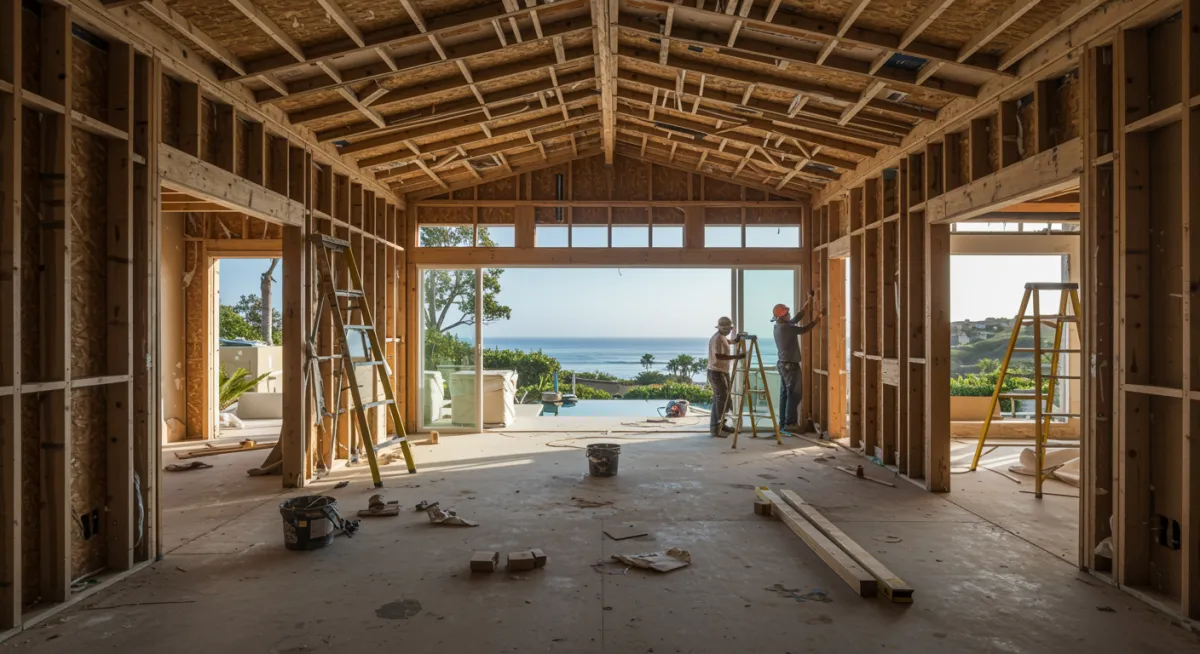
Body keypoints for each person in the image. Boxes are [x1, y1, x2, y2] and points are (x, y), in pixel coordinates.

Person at [772, 291, 823, 433]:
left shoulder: (779, 325)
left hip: (784, 365)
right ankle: (790, 423)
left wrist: (809, 301)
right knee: (794, 394)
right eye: (787, 312)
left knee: (785, 394)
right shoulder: (786, 328)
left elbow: (798, 317)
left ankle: (783, 424)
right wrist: (818, 318)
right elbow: (804, 328)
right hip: (790, 366)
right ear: (783, 315)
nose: (789, 314)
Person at [707, 317, 742, 437]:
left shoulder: (721, 337)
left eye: (730, 329)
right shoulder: (717, 339)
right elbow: (719, 356)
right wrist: (737, 357)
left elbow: (729, 342)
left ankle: (720, 425)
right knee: (721, 399)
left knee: (721, 399)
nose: (729, 331)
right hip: (717, 372)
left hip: (721, 371)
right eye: (728, 329)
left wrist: (736, 339)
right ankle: (717, 427)